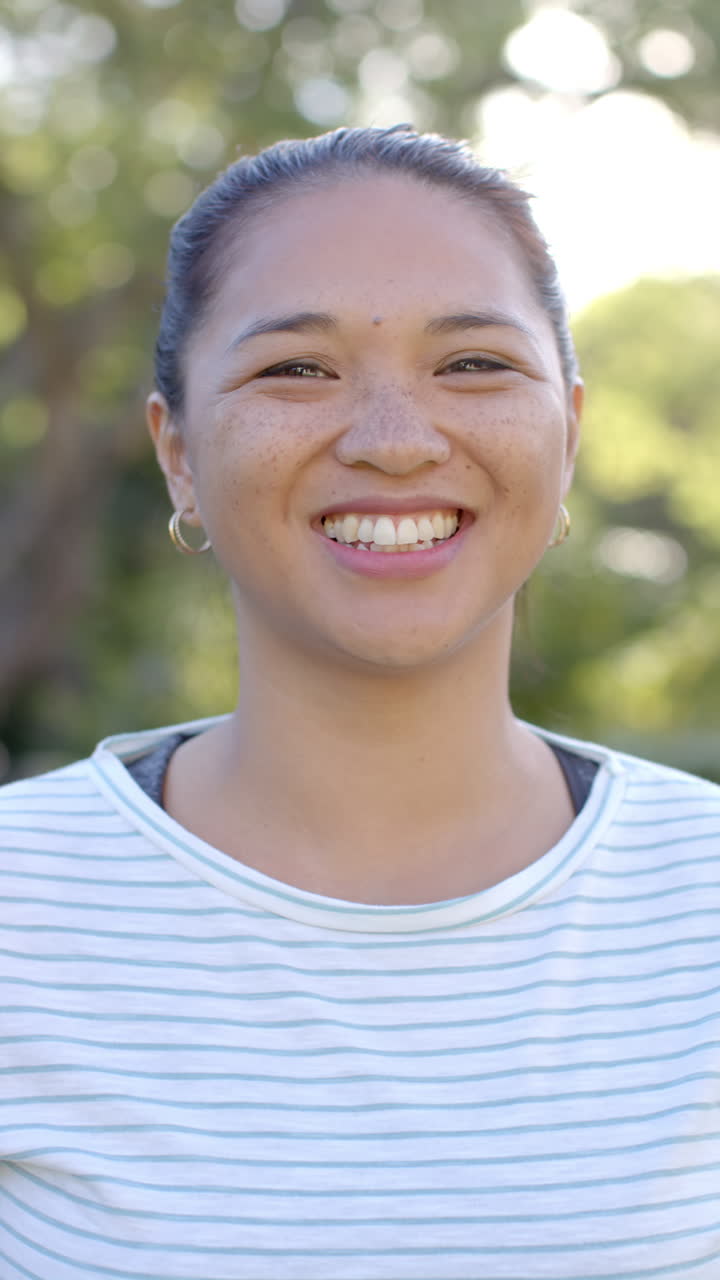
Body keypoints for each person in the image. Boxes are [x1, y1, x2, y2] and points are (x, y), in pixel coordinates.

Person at [1, 124, 719, 1280]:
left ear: (569, 430)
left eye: (474, 363)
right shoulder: (20, 910)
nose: (394, 440)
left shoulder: (705, 897)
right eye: (297, 368)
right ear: (177, 448)